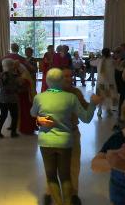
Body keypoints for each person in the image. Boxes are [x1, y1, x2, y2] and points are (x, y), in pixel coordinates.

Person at [31, 68, 100, 205]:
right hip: (55, 137)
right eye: (65, 76)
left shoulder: (75, 93)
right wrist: (47, 122)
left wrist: (93, 103)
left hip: (72, 134)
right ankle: (50, 192)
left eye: (70, 76)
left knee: (73, 166)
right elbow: (37, 116)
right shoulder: (46, 96)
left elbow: (86, 110)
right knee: (51, 169)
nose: (68, 79)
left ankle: (73, 194)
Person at [0, 59, 22, 138]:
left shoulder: (0, 74)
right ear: (12, 66)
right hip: (12, 99)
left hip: (1, 99)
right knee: (14, 116)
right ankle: (13, 133)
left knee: (3, 115)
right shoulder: (15, 76)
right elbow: (19, 86)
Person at [16, 61, 37, 135]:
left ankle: (27, 128)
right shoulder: (24, 74)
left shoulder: (24, 76)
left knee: (26, 113)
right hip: (24, 97)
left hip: (26, 97)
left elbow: (24, 87)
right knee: (24, 112)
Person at [96, 48, 117, 118]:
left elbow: (91, 62)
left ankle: (99, 110)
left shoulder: (99, 60)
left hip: (101, 82)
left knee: (101, 96)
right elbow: (118, 66)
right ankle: (108, 109)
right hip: (110, 82)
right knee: (109, 96)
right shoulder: (112, 61)